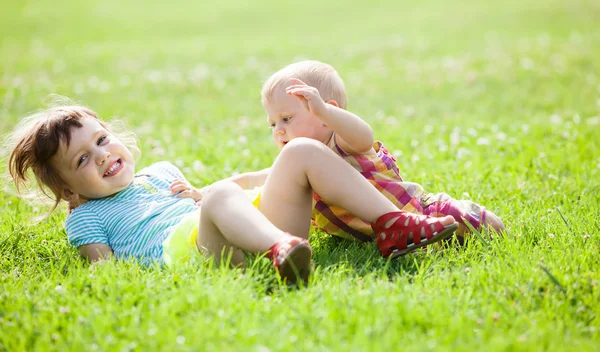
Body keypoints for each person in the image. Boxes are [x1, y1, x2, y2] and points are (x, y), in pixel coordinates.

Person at [5, 105, 457, 286]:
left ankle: (392, 224)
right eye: (82, 160)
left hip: (242, 227)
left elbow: (218, 201)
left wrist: (211, 194)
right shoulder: (85, 219)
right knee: (220, 195)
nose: (101, 157)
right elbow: (107, 275)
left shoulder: (162, 173)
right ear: (68, 189)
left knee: (301, 150)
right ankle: (280, 249)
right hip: (198, 255)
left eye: (101, 141)